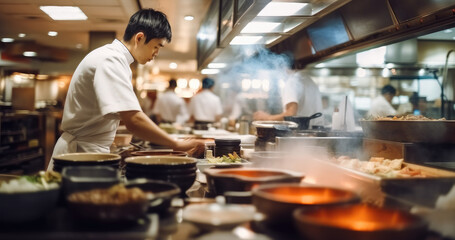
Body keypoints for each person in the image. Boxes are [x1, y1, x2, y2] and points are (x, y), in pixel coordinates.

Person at [49, 9, 205, 170]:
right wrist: (175, 143)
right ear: (139, 38)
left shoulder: (117, 60)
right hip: (81, 155)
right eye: (156, 46)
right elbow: (133, 119)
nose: (156, 54)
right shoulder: (111, 59)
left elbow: (117, 116)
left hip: (88, 152)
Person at [253, 70, 324, 127]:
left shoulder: (292, 82)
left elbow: (290, 114)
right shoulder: (309, 80)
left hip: (300, 135)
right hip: (315, 133)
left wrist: (267, 118)